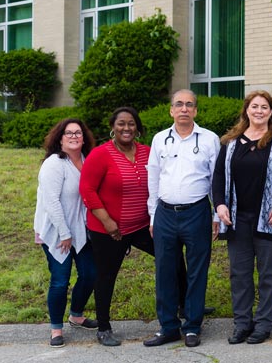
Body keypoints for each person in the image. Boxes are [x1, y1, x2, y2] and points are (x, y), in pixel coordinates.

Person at [79, 107, 190, 347]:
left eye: (131, 124)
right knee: (106, 276)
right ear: (113, 127)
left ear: (137, 128)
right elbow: (87, 191)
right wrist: (108, 223)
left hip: (142, 226)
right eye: (121, 124)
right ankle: (104, 327)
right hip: (109, 230)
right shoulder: (100, 154)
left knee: (173, 259)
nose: (126, 128)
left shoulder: (147, 152)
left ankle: (184, 305)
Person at [213, 90, 272, 345]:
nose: (259, 111)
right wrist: (219, 206)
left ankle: (263, 325)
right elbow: (218, 178)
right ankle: (242, 324)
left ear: (271, 112)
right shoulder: (230, 142)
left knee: (269, 275)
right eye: (254, 106)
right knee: (240, 273)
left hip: (270, 218)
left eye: (264, 107)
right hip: (237, 219)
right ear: (246, 110)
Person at [145, 90, 220, 348]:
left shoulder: (209, 140)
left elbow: (215, 180)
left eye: (189, 104)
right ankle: (168, 327)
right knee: (165, 271)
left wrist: (215, 215)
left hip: (197, 212)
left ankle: (192, 327)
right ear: (171, 110)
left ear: (196, 111)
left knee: (197, 271)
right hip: (165, 213)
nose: (184, 109)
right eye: (179, 104)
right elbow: (153, 177)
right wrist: (153, 214)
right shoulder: (159, 139)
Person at [34, 118, 98, 348]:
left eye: (78, 132)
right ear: (60, 138)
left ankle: (76, 315)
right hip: (56, 231)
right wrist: (64, 233)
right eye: (68, 133)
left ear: (84, 137)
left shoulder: (86, 160)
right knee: (60, 281)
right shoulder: (54, 163)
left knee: (90, 274)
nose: (74, 136)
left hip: (82, 230)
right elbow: (51, 202)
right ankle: (55, 329)